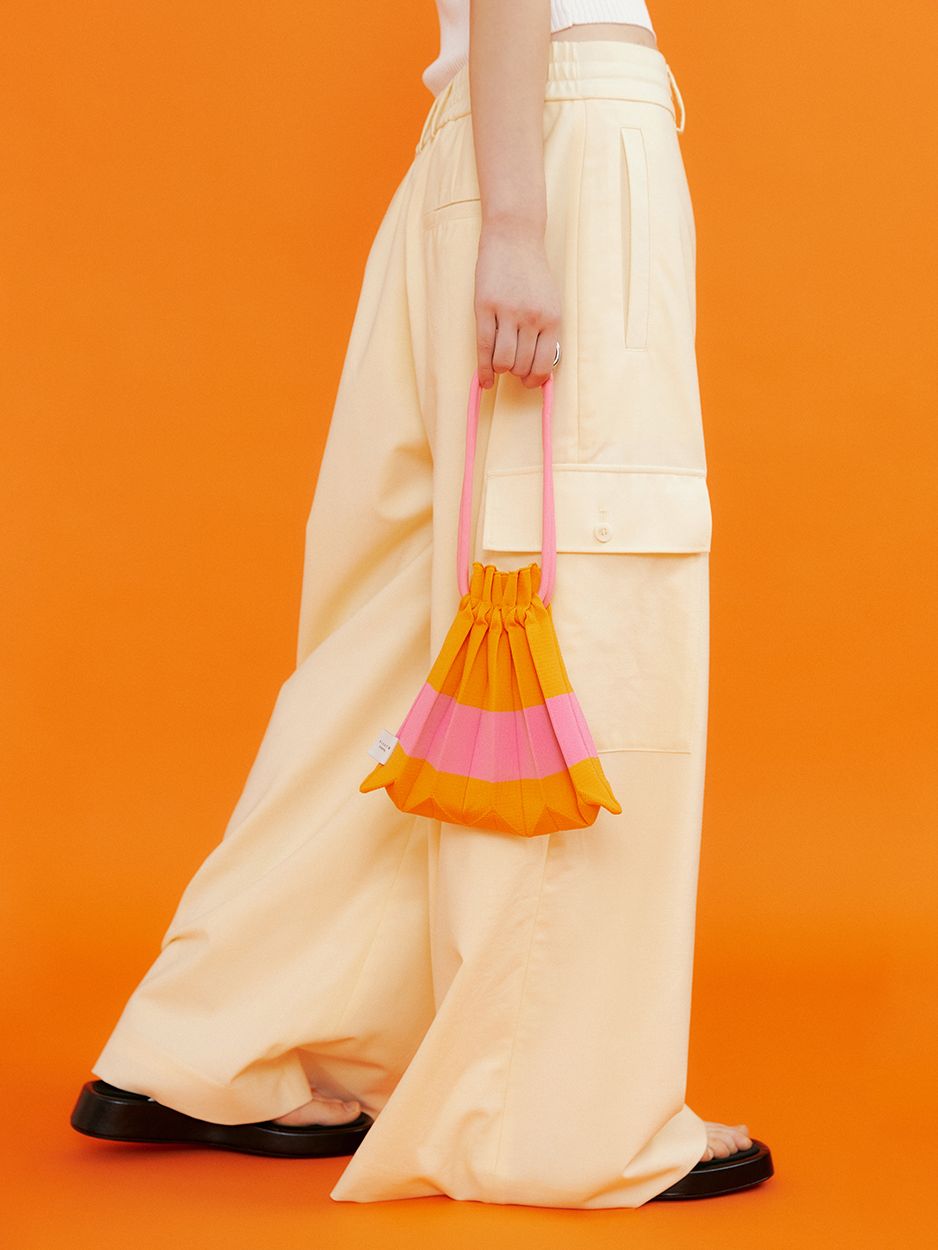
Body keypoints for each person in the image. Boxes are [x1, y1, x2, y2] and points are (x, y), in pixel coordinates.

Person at [70, 0, 774, 1206]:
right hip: (557, 141)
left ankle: (219, 1038)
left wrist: (497, 199)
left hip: (473, 140)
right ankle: (549, 1118)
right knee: (575, 605)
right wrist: (520, 220)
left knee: (406, 635)